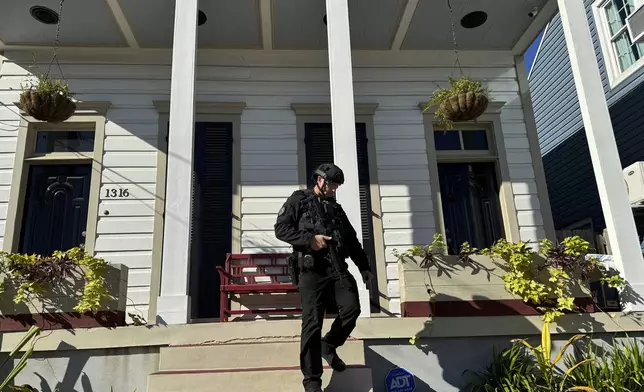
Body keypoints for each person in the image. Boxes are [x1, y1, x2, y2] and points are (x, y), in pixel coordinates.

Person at [274, 163, 373, 392]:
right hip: (311, 271)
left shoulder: (335, 209)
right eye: (333, 185)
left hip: (336, 267)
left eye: (337, 186)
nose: (335, 189)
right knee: (312, 323)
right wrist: (310, 241)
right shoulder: (298, 200)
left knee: (352, 309)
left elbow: (351, 240)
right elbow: (281, 229)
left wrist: (364, 267)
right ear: (320, 180)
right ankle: (312, 381)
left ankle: (328, 345)